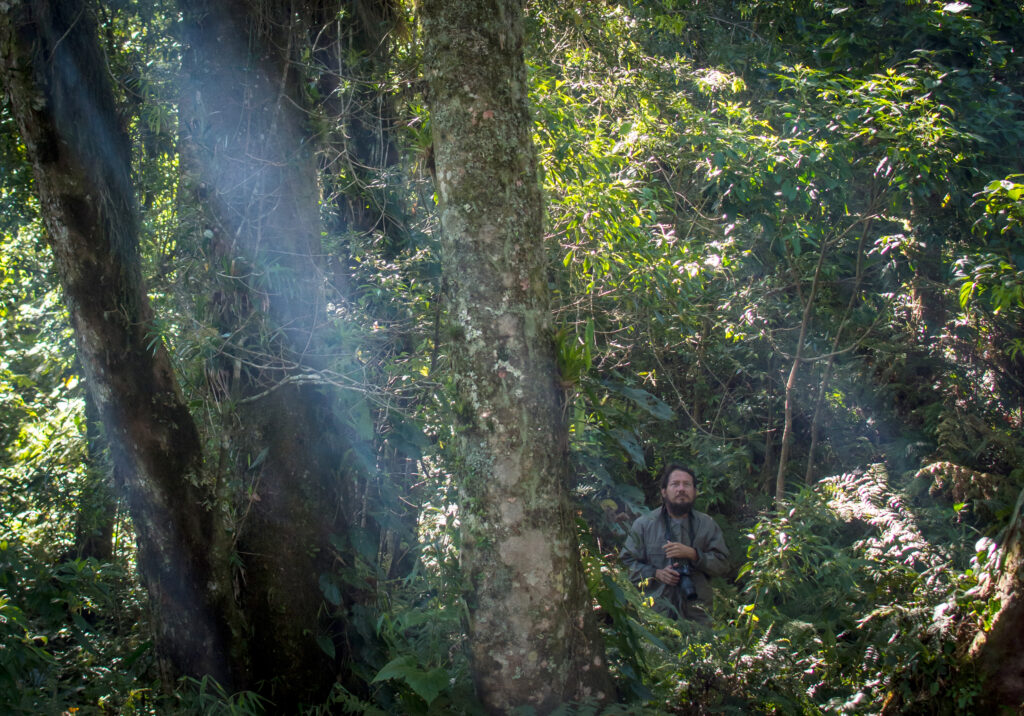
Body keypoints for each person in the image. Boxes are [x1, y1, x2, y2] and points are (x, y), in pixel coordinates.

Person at [620, 463, 730, 624]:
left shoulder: (707, 525)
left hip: (698, 617)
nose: (681, 489)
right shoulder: (644, 524)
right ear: (664, 492)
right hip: (656, 616)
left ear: (695, 491)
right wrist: (655, 573)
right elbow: (625, 564)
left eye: (687, 484)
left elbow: (723, 564)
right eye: (675, 484)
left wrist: (693, 554)